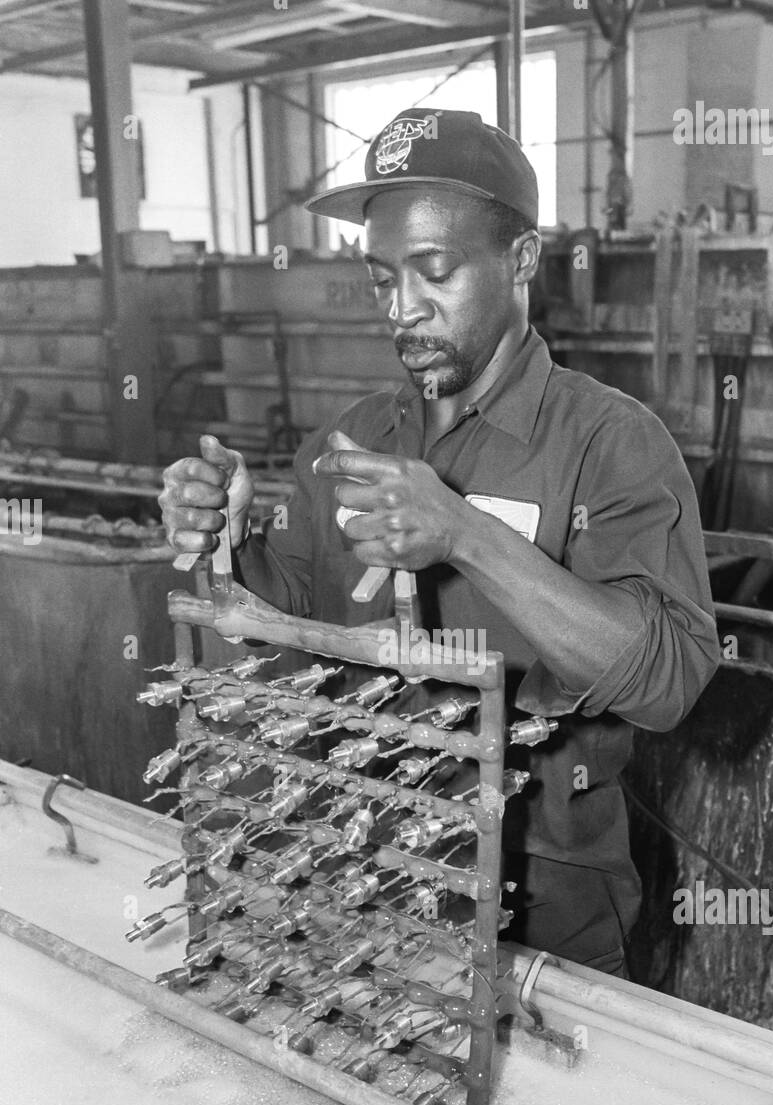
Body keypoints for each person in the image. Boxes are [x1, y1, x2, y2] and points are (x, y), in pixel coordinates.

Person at [159, 107, 720, 975]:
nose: (403, 311)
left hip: (544, 899)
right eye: (384, 279)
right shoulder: (347, 439)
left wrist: (466, 534)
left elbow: (672, 681)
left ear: (522, 260)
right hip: (366, 862)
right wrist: (224, 544)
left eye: (433, 272)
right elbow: (296, 611)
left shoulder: (610, 443)